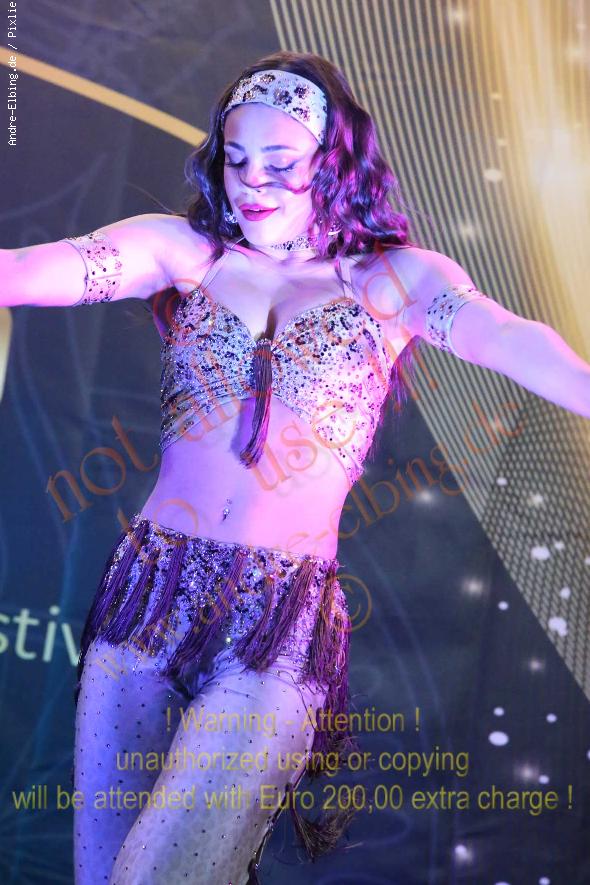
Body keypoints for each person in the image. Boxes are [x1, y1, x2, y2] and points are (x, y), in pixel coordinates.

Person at [3, 49, 589, 885]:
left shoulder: (390, 280)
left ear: (334, 163)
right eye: (237, 159)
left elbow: (503, 336)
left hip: (273, 625)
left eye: (281, 163)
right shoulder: (187, 254)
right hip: (147, 598)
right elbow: (25, 272)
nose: (253, 183)